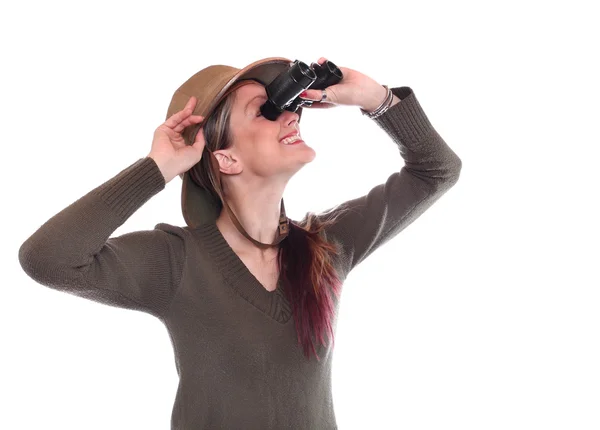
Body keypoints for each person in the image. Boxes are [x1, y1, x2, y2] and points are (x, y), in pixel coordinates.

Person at [18, 56, 462, 429]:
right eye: (264, 112)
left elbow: (437, 170)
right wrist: (157, 168)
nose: (290, 115)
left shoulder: (326, 248)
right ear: (225, 158)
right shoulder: (176, 261)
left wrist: (376, 98)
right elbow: (48, 259)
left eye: (287, 107)